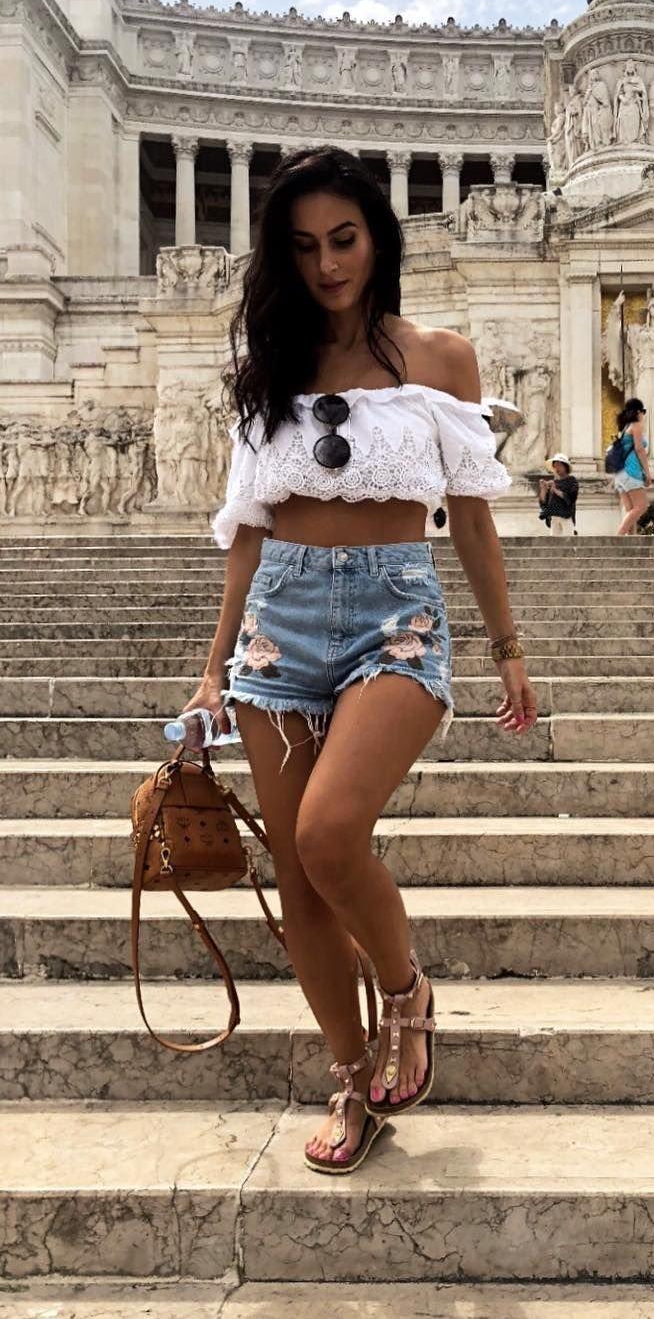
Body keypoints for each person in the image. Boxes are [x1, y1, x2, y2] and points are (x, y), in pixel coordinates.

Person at [189, 147, 538, 1174]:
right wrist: (213, 666)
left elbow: (470, 519)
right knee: (298, 881)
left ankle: (405, 992)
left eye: (344, 239)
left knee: (329, 834)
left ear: (379, 238)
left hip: (395, 615)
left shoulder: (442, 358)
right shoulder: (271, 367)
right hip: (279, 619)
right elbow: (247, 532)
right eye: (304, 248)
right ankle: (351, 1081)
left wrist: (508, 648)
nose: (328, 264)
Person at [611, 397, 652, 535]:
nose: (643, 415)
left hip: (620, 473)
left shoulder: (624, 428)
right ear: (638, 412)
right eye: (643, 411)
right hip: (631, 471)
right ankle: (618, 537)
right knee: (641, 507)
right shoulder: (636, 426)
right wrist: (647, 472)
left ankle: (630, 542)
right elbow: (640, 450)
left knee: (631, 511)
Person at [537, 453, 578, 536]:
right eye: (555, 466)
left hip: (566, 516)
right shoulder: (553, 482)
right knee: (554, 540)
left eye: (559, 465)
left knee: (568, 539)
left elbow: (571, 498)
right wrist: (543, 489)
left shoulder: (572, 480)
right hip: (554, 517)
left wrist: (555, 490)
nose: (556, 468)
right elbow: (543, 502)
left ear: (565, 467)